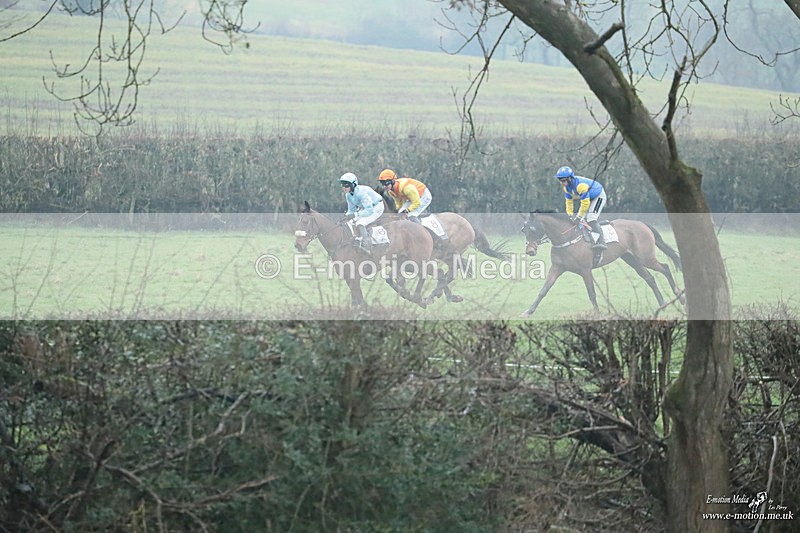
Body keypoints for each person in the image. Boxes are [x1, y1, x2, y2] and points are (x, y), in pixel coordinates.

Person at [554, 165, 608, 249]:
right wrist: (570, 215)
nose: (561, 183)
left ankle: (602, 242)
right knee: (582, 220)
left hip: (598, 195)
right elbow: (569, 202)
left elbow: (585, 204)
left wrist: (578, 217)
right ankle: (589, 238)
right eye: (559, 180)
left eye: (563, 180)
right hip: (589, 197)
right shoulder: (566, 188)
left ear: (570, 178)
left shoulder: (580, 186)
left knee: (591, 218)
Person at [339, 172, 384, 254]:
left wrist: (355, 215)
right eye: (342, 185)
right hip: (366, 208)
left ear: (353, 185)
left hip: (376, 207)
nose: (344, 188)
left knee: (360, 223)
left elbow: (369, 210)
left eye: (346, 185)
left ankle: (367, 246)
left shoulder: (361, 193)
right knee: (350, 222)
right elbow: (351, 210)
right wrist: (346, 216)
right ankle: (356, 240)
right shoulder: (348, 195)